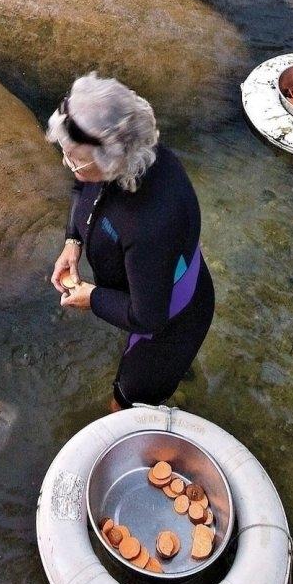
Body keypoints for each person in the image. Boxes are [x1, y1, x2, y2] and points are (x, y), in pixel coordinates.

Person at [46, 73, 214, 412]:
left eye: (75, 159)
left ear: (111, 156)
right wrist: (73, 240)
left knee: (125, 402)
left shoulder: (149, 222)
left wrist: (91, 297)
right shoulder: (114, 164)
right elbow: (84, 189)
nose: (69, 166)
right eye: (64, 154)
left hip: (169, 322)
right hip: (150, 290)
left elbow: (148, 317)